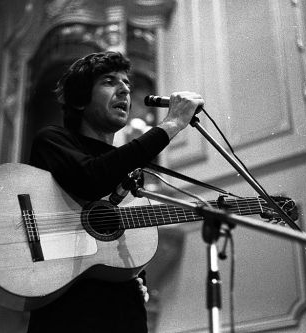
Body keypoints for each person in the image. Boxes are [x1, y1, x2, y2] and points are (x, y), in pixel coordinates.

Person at [27, 51, 204, 333]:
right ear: (79, 99)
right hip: (65, 316)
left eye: (127, 84)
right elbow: (92, 178)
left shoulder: (126, 170)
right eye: (109, 82)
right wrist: (171, 125)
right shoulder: (52, 140)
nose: (124, 89)